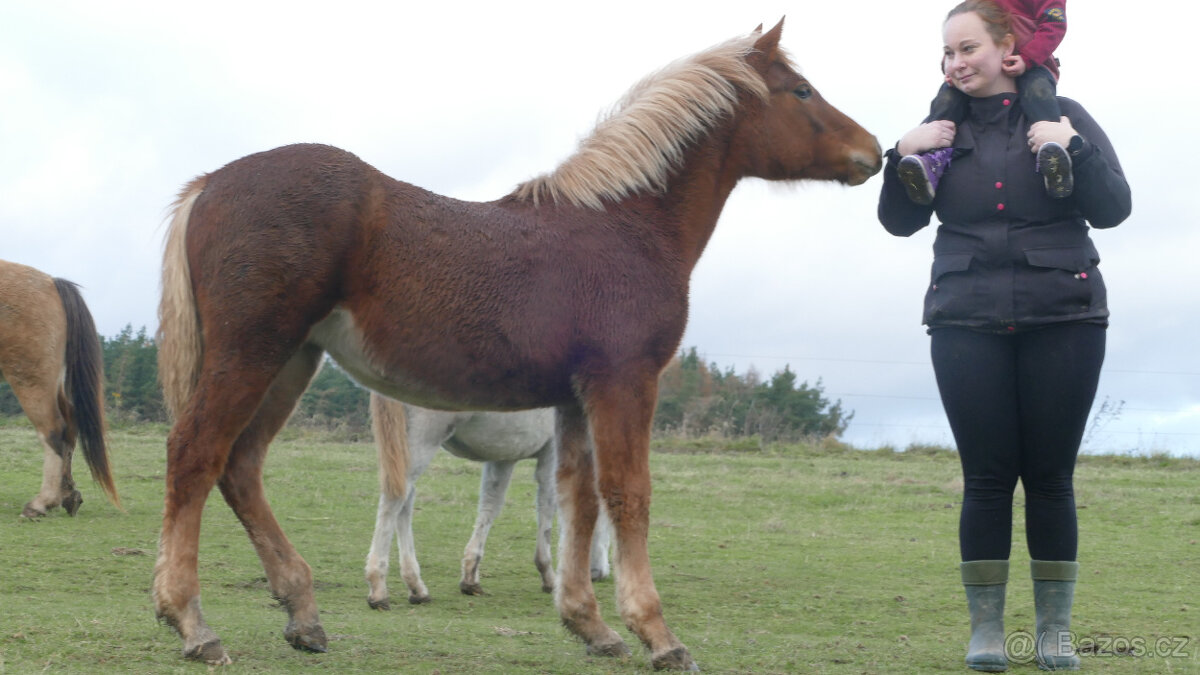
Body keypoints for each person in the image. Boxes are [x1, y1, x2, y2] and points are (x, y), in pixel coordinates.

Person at [877, 1, 1132, 671]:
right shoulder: (939, 131)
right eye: (948, 54)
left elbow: (1114, 208)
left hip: (1065, 317)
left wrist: (1068, 142)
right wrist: (901, 154)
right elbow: (898, 223)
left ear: (1007, 48)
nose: (956, 63)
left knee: (1050, 479)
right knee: (986, 479)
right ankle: (986, 630)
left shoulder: (1062, 112)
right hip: (965, 321)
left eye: (968, 49)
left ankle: (1054, 631)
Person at [898, 0, 1072, 205]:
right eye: (949, 54)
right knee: (946, 99)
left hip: (1032, 63)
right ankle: (932, 160)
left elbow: (1054, 25)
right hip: (985, 69)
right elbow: (962, 35)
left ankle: (1052, 157)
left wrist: (1028, 57)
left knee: (1038, 92)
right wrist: (951, 68)